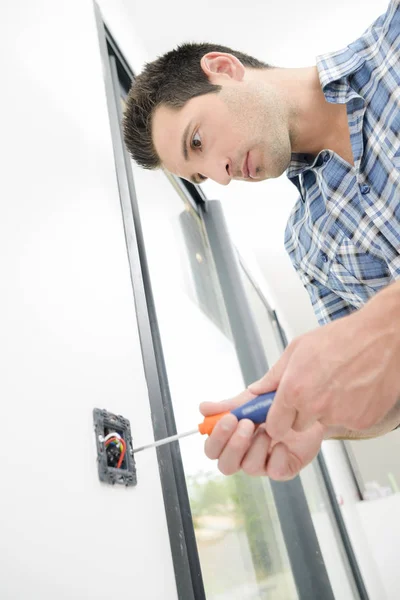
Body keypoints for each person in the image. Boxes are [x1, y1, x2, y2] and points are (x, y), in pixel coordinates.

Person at [122, 0, 400, 481]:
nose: (221, 176)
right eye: (201, 176)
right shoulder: (310, 246)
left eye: (197, 142)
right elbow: (385, 394)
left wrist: (384, 327)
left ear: (224, 69)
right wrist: (305, 414)